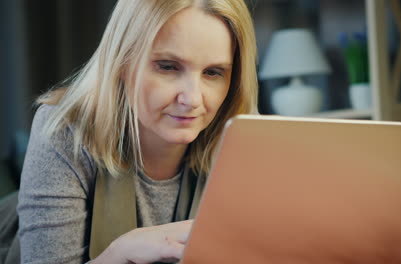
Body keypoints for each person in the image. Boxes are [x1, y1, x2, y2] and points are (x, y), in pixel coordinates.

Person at [17, 0, 258, 263]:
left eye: (213, 72)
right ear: (122, 61)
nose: (192, 99)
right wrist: (122, 252)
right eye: (168, 66)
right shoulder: (65, 131)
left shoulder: (244, 144)